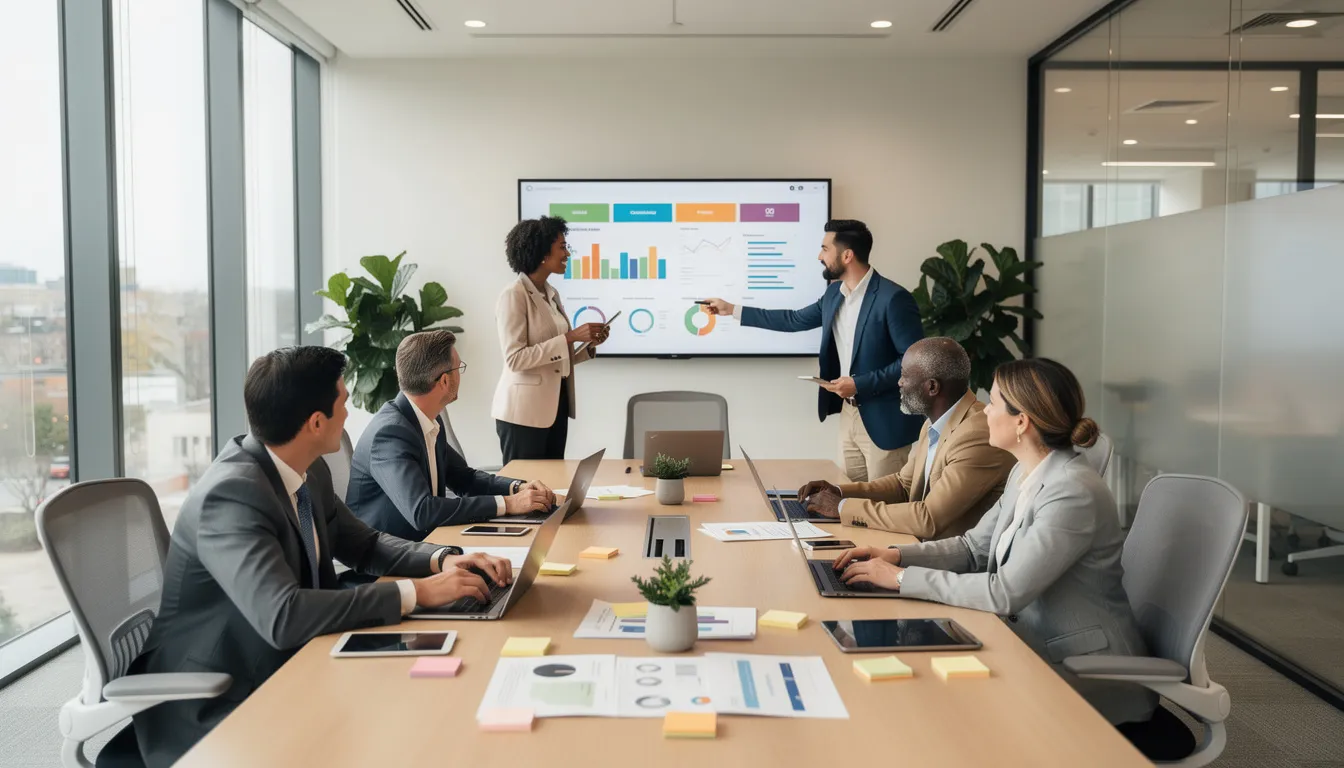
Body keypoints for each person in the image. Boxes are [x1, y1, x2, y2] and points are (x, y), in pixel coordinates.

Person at [129, 347, 513, 767]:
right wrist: (418, 592)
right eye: (343, 403)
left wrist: (441, 560)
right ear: (315, 423)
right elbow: (284, 615)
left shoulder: (307, 469)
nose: (349, 414)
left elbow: (364, 544)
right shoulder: (231, 496)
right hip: (222, 695)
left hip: (296, 660)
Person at [832, 358, 1156, 727]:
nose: (985, 410)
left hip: (1086, 673)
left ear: (1022, 422)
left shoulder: (1072, 492)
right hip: (1027, 644)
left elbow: (1005, 592)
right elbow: (974, 547)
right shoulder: (1025, 470)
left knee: (931, 711)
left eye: (996, 402)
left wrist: (901, 579)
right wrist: (894, 555)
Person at [702, 219, 923, 482]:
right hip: (849, 413)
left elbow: (913, 360)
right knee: (851, 502)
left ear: (847, 255)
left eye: (824, 249)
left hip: (884, 419)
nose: (819, 256)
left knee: (884, 505)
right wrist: (732, 309)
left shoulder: (892, 298)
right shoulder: (834, 295)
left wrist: (859, 383)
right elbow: (793, 320)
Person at [796, 337, 1014, 539]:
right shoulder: (935, 421)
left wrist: (842, 508)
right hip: (919, 546)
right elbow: (903, 485)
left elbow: (929, 518)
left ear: (932, 387)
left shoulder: (977, 434)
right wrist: (839, 491)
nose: (899, 382)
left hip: (954, 563)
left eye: (905, 376)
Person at [347, 330, 554, 541]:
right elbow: (422, 511)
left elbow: (464, 478)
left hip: (428, 543)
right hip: (392, 558)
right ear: (445, 381)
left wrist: (517, 488)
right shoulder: (390, 434)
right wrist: (509, 504)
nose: (460, 375)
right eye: (459, 368)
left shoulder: (427, 419)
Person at [492, 216, 607, 463]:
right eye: (562, 247)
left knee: (550, 489)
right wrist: (571, 336)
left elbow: (553, 360)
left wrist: (587, 347)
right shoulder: (514, 295)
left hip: (555, 408)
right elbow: (515, 359)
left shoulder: (550, 293)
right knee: (524, 491)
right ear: (543, 252)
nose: (567, 253)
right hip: (523, 414)